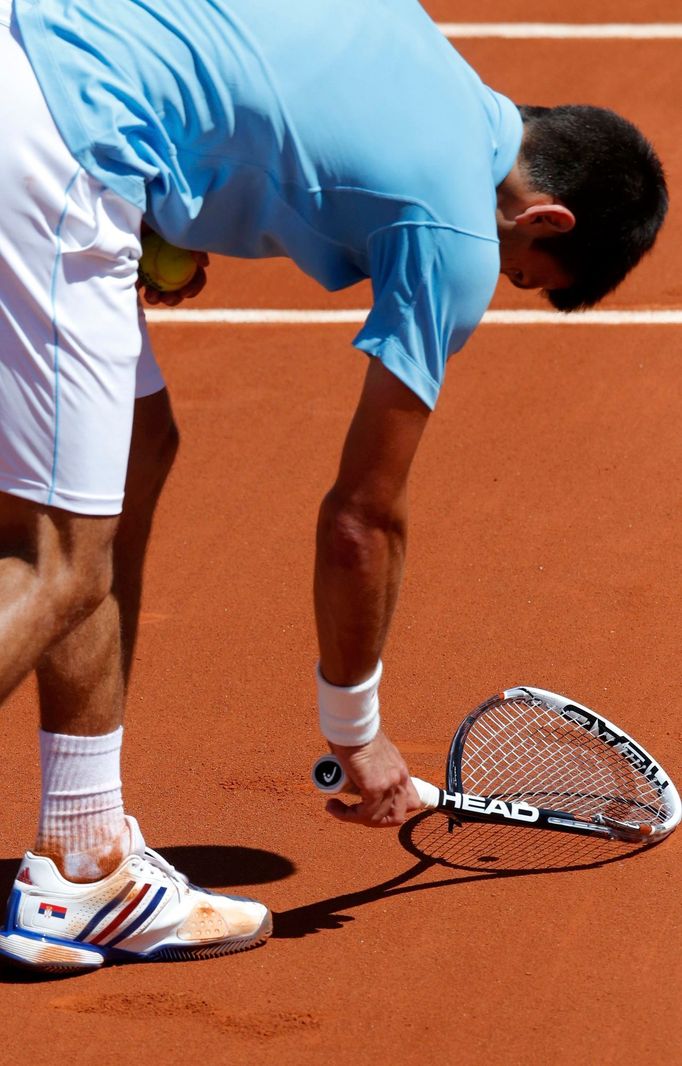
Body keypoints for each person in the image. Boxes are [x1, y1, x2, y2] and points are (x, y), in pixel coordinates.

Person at [0, 0, 667, 973]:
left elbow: (224, 68)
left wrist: (157, 208)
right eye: (527, 272)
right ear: (544, 219)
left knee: (137, 451)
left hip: (36, 55)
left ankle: (85, 855)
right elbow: (363, 520)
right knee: (55, 567)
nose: (503, 276)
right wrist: (357, 732)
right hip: (61, 143)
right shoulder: (459, 229)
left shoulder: (415, 45)